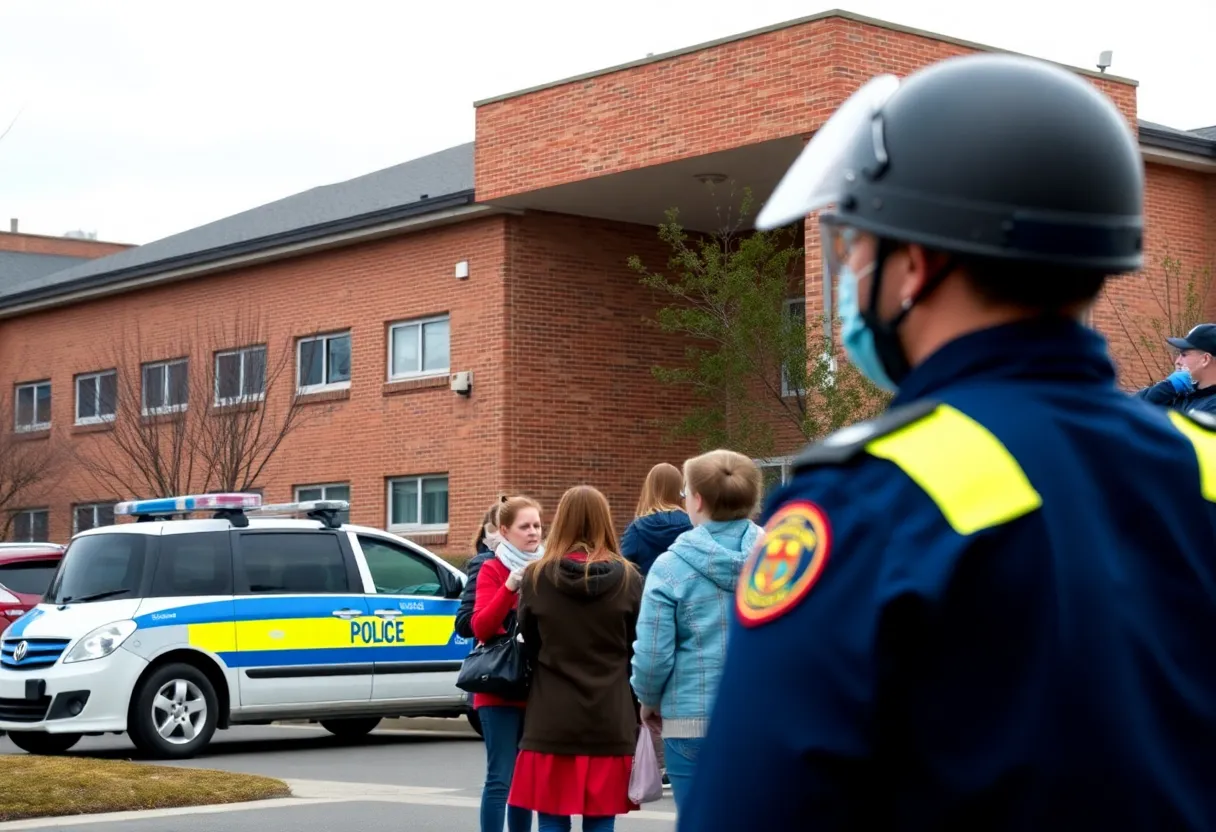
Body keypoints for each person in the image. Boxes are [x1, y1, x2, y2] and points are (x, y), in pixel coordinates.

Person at [679, 53, 1216, 831]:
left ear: (916, 266)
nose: (850, 277)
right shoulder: (1199, 468)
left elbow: (752, 807)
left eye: (859, 251)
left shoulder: (869, 500)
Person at [630, 449, 763, 811]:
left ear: (699, 500)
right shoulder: (783, 561)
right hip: (765, 717)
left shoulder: (670, 567)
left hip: (691, 719)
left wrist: (648, 699)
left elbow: (654, 654)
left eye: (685, 492)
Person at [507, 485, 643, 832]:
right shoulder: (628, 579)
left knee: (552, 818)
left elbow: (530, 640)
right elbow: (636, 644)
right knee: (601, 820)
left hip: (550, 715)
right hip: (609, 714)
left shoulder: (538, 578)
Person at [471, 496, 544, 832]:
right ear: (504, 530)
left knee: (526, 781)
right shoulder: (492, 568)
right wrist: (510, 585)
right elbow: (481, 628)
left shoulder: (547, 567)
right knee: (500, 777)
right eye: (524, 527)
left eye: (537, 525)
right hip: (499, 686)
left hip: (536, 688)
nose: (533, 533)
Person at [620, 461, 693, 787]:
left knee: (650, 682)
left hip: (647, 613)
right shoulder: (693, 525)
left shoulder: (637, 529)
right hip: (687, 611)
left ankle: (657, 758)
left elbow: (623, 571)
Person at [621, 462, 693, 578]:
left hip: (647, 594)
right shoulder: (694, 526)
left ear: (649, 490)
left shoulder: (636, 529)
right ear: (679, 490)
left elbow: (624, 575)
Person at [455, 496, 509, 640]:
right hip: (501, 655)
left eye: (536, 525)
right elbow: (464, 623)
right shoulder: (484, 564)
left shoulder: (539, 563)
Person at [1135, 323, 1216, 414]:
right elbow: (1128, 410)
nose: (1177, 361)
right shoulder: (1180, 394)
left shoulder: (1212, 405)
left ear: (1205, 359)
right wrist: (1165, 388)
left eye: (1184, 355)